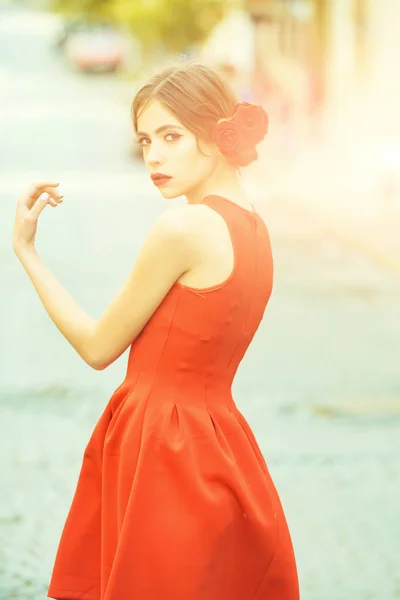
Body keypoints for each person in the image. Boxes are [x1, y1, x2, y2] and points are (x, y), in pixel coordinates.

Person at [12, 61, 300, 599]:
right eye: (145, 140)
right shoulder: (255, 228)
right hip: (218, 442)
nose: (155, 156)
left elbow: (98, 346)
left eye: (171, 136)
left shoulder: (185, 228)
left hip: (162, 446)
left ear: (217, 136)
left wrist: (27, 252)